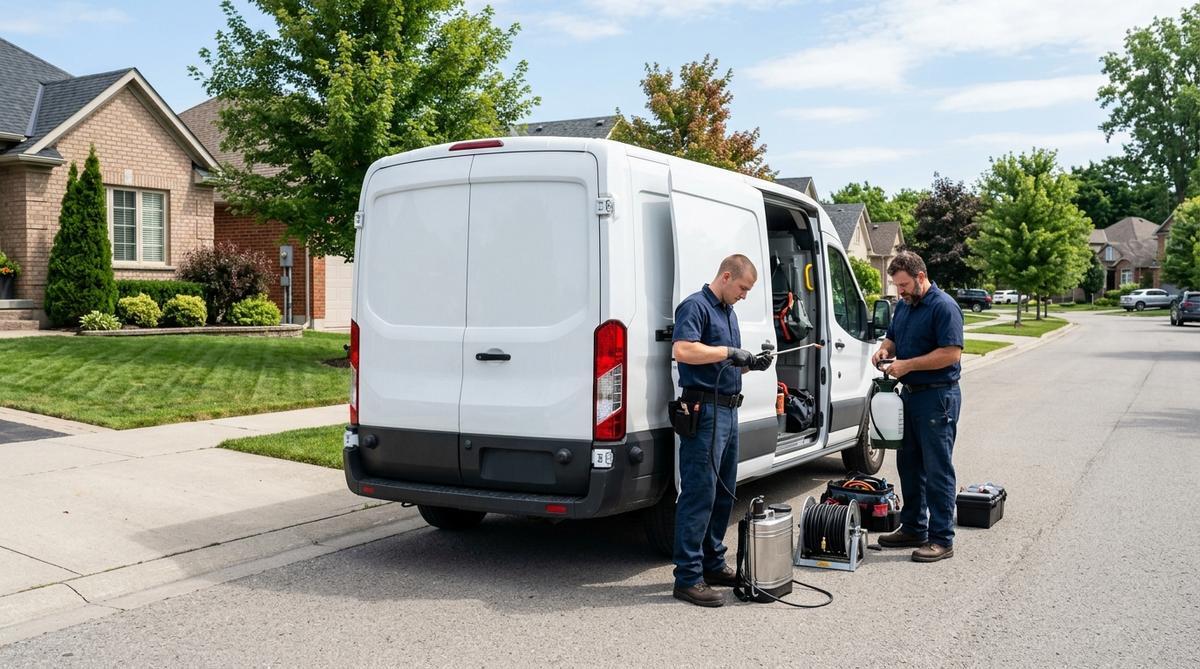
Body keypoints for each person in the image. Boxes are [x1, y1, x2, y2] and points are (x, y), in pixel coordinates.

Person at [670, 254, 772, 607]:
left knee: (724, 492)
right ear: (726, 276)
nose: (745, 295)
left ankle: (712, 564)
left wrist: (750, 364)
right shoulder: (695, 306)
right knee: (699, 492)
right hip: (704, 411)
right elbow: (683, 350)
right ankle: (687, 577)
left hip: (728, 409)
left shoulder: (729, 313)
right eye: (743, 288)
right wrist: (729, 351)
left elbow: (721, 364)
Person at [870, 251, 964, 562]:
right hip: (909, 396)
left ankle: (941, 539)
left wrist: (908, 365)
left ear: (921, 277)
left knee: (937, 469)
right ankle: (913, 527)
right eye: (897, 286)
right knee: (908, 465)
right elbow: (893, 338)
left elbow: (951, 353)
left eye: (904, 285)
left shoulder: (944, 306)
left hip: (938, 398)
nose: (900, 291)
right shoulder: (904, 306)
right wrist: (884, 350)